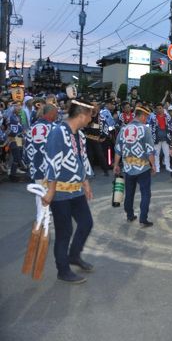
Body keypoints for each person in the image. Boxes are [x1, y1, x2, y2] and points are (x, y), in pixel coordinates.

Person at [42, 99, 95, 284]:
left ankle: (74, 255)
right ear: (81, 115)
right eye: (89, 116)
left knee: (86, 223)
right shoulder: (58, 133)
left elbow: (82, 160)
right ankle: (62, 270)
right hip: (60, 192)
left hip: (76, 190)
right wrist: (50, 191)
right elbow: (52, 161)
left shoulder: (79, 135)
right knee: (65, 232)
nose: (90, 120)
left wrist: (85, 182)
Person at [113, 106, 156, 227]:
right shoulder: (145, 130)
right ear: (142, 116)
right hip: (143, 167)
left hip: (128, 167)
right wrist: (153, 165)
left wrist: (116, 165)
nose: (146, 120)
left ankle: (129, 215)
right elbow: (150, 150)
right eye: (146, 117)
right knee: (146, 193)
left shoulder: (123, 129)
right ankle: (143, 218)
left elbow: (118, 150)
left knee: (129, 193)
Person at [24, 103, 58, 182]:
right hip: (51, 169)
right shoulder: (55, 128)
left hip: (35, 167)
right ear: (51, 113)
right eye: (56, 113)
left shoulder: (32, 127)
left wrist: (28, 161)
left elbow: (27, 146)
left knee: (39, 192)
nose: (57, 116)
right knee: (51, 193)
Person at [149, 103, 172, 173]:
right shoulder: (153, 117)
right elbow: (151, 127)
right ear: (155, 109)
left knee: (167, 153)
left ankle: (168, 166)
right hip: (156, 137)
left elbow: (171, 125)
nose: (159, 110)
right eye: (157, 108)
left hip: (166, 136)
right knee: (156, 154)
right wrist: (151, 136)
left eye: (160, 108)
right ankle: (157, 167)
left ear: (163, 108)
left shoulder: (168, 117)